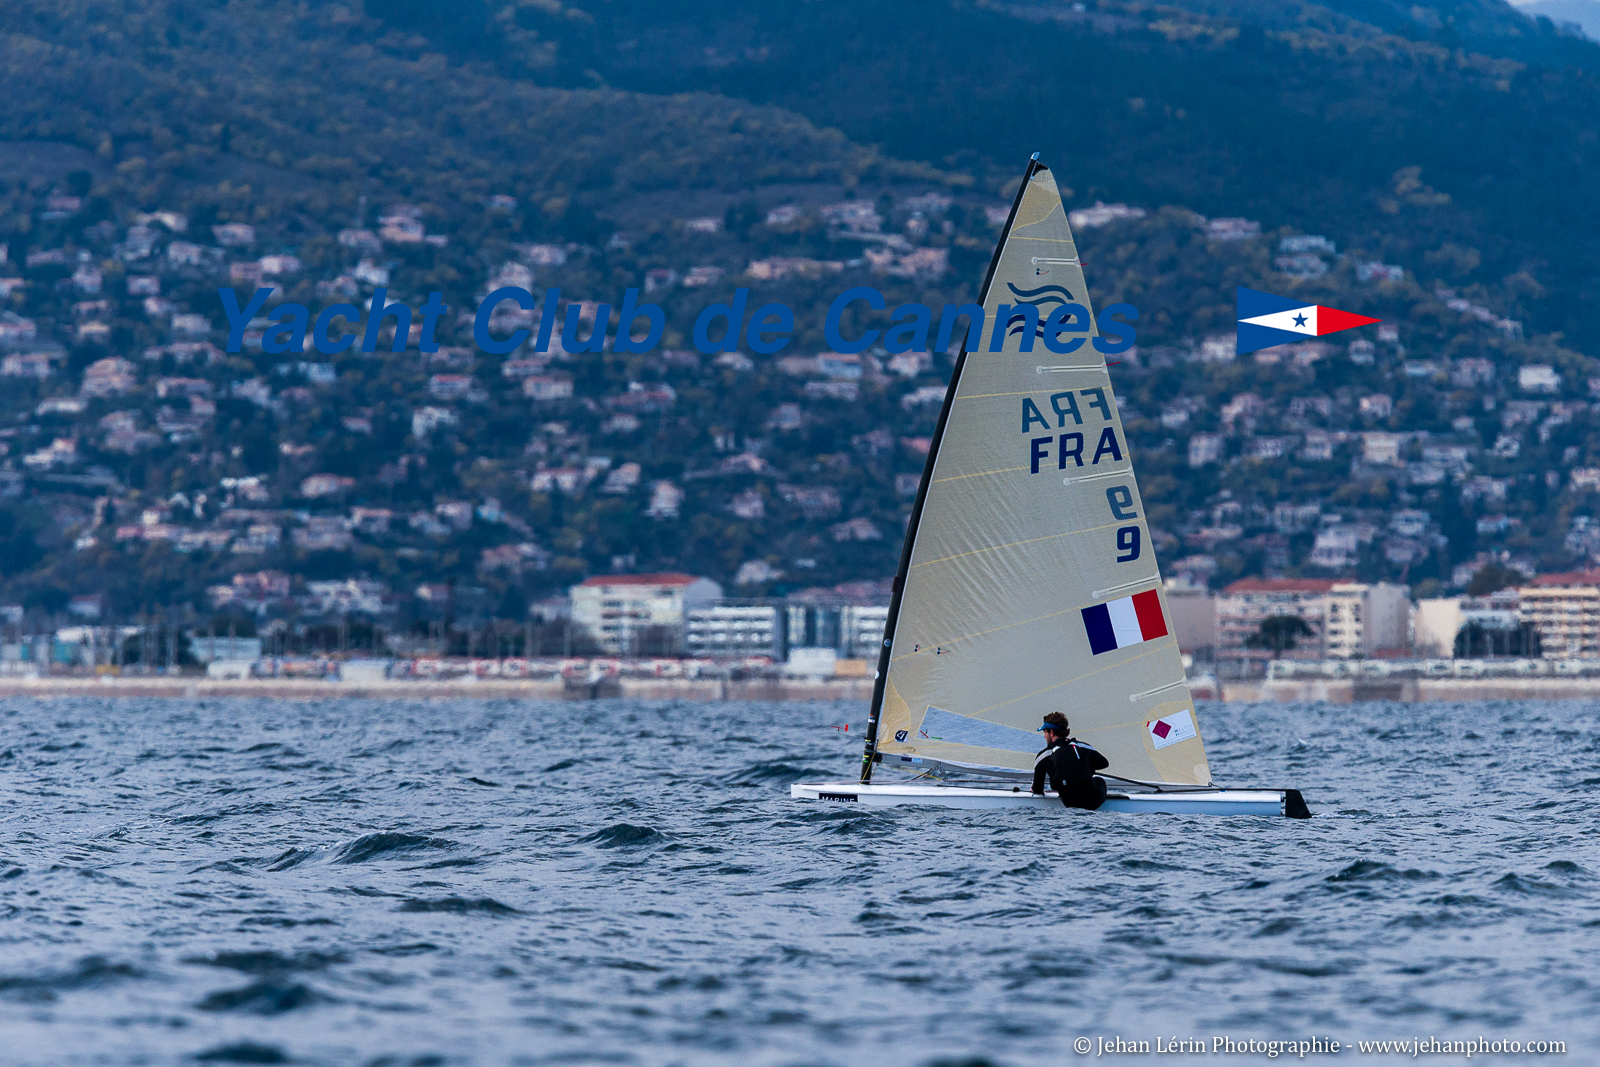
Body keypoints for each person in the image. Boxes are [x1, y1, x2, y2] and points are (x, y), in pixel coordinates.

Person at [1031, 711, 1109, 810]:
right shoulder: (1082, 747)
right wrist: (1084, 767)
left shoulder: (1043, 756)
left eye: (1045, 732)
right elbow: (1104, 763)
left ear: (1051, 732)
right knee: (1099, 780)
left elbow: (1037, 790)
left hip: (1070, 802)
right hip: (1094, 800)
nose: (1044, 736)